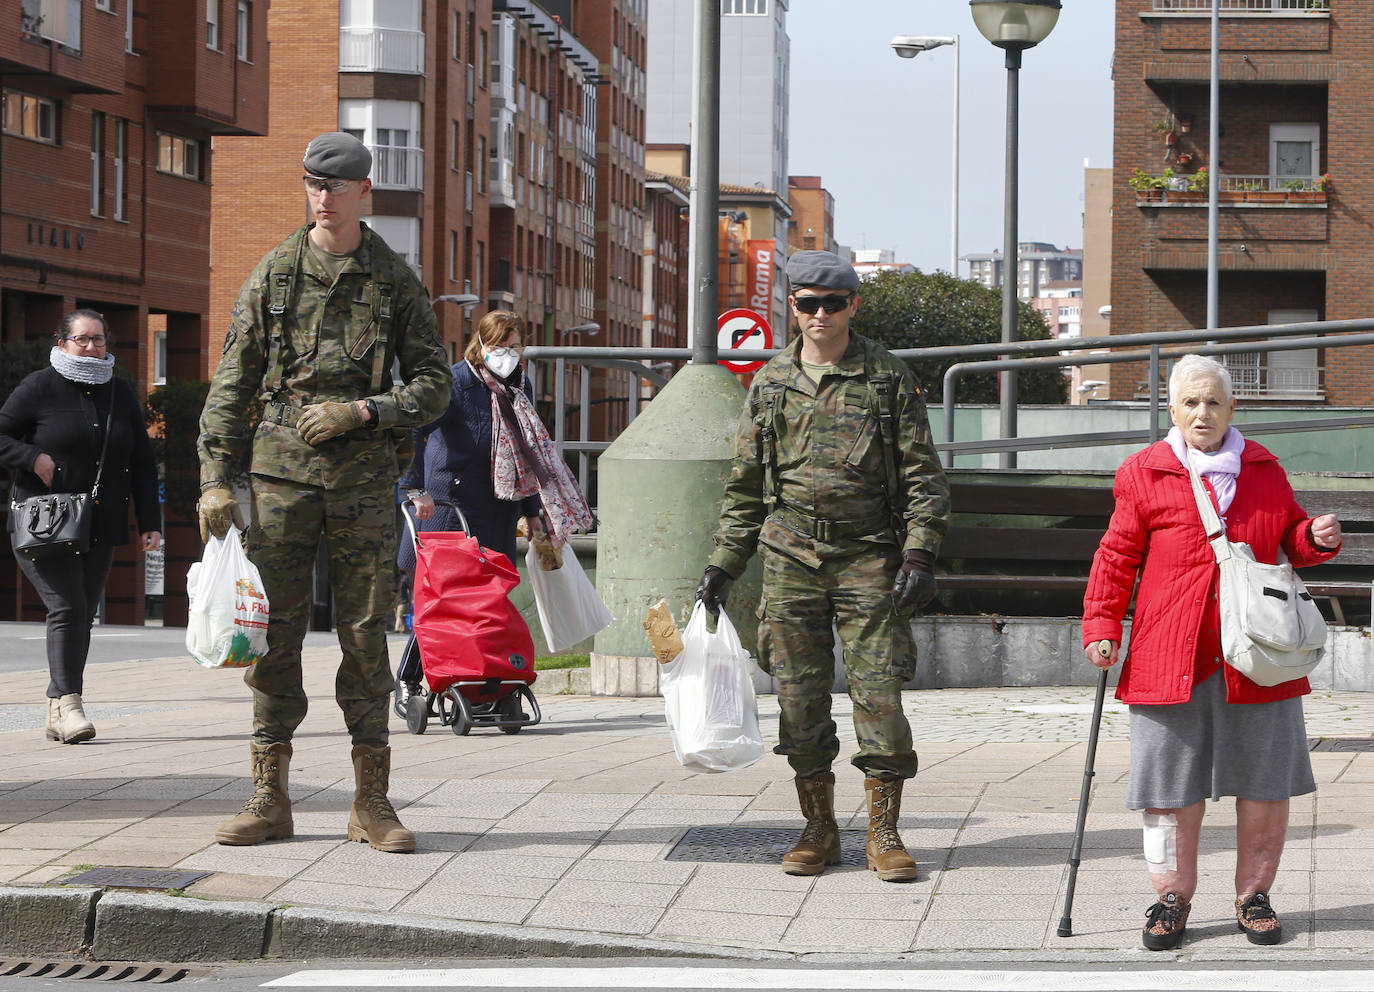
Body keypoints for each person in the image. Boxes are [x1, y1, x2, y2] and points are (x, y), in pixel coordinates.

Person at [197, 132, 452, 854]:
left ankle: (371, 802)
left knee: (365, 634)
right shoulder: (275, 273)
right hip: (280, 479)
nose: (323, 196)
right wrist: (215, 478)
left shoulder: (392, 280)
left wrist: (366, 410)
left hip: (363, 481)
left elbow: (435, 386)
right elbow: (232, 383)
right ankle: (269, 797)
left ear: (364, 190)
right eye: (313, 184)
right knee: (272, 632)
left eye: (336, 186)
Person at [697, 250, 950, 882]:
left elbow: (923, 477)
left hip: (868, 556)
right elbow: (746, 486)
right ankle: (819, 827)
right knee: (797, 698)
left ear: (852, 305)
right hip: (789, 558)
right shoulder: (771, 383)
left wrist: (920, 551)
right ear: (793, 305)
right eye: (808, 303)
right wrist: (724, 564)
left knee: (879, 695)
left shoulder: (886, 378)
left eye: (832, 304)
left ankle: (883, 832)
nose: (820, 315)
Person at [1082, 354, 1341, 950]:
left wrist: (1312, 538)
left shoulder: (1263, 469)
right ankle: (1171, 897)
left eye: (1214, 402)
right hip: (1169, 651)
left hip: (1259, 654)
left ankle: (1254, 896)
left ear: (1231, 408)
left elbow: (1289, 538)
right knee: (1168, 786)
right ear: (1173, 409)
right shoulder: (1143, 472)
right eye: (1191, 402)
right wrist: (1102, 624)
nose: (1203, 413)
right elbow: (1116, 556)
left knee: (1265, 781)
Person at [0, 310, 161, 744]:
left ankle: (59, 707)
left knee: (81, 614)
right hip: (44, 522)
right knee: (68, 607)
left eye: (98, 339)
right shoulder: (39, 385)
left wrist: (151, 522)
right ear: (62, 342)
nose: (91, 347)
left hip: (100, 523)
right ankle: (68, 705)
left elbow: (141, 462)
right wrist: (32, 457)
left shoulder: (119, 391)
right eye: (82, 339)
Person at [400, 309, 546, 570]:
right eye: (498, 347)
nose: (507, 355)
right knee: (450, 585)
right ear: (481, 344)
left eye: (514, 347)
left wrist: (532, 511)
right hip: (454, 508)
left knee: (494, 586)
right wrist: (415, 489)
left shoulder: (521, 386)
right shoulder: (457, 382)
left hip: (500, 512)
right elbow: (412, 427)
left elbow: (526, 449)